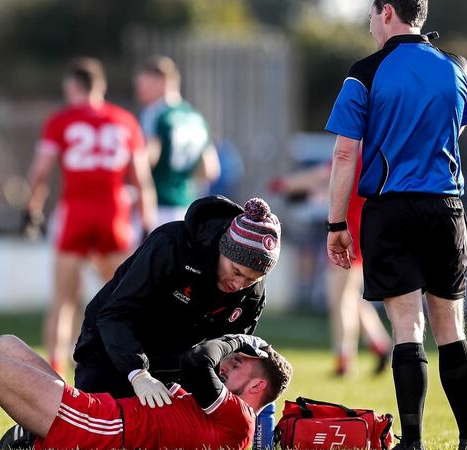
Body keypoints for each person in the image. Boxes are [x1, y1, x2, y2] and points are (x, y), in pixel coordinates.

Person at [324, 1, 467, 449]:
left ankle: (412, 443)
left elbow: (343, 154)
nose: (370, 25)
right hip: (446, 206)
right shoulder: (458, 67)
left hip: (391, 211)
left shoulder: (366, 72)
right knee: (450, 324)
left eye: (371, 16)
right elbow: (455, 133)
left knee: (407, 327)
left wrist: (336, 222)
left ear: (387, 11)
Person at [0, 333, 293, 450]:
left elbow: (196, 360)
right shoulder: (222, 411)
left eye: (239, 363)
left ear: (255, 385)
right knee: (5, 345)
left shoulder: (240, 421)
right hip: (100, 416)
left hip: (102, 429)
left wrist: (235, 338)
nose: (227, 362)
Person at [72, 195, 281, 406]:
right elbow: (115, 315)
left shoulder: (252, 293)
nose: (238, 284)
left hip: (171, 364)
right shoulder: (172, 245)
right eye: (235, 271)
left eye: (250, 279)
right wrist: (138, 375)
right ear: (222, 248)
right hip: (108, 349)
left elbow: (227, 353)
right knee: (92, 432)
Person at [21, 57, 157, 376]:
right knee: (122, 298)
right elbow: (141, 178)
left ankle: (55, 369)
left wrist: (31, 206)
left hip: (77, 212)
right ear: (101, 87)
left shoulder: (62, 120)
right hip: (114, 213)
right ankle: (128, 364)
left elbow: (40, 171)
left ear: (72, 86)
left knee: (63, 299)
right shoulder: (124, 121)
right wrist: (147, 221)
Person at [269, 158, 391, 377]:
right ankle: (379, 344)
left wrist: (283, 184)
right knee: (350, 295)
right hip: (367, 233)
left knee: (340, 300)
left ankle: (344, 359)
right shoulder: (376, 155)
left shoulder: (355, 153)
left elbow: (321, 174)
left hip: (348, 234)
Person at [135, 56, 220, 225]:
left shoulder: (156, 113)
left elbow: (148, 159)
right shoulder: (196, 117)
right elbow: (210, 170)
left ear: (162, 82)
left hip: (157, 206)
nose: (139, 91)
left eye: (144, 84)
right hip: (186, 208)